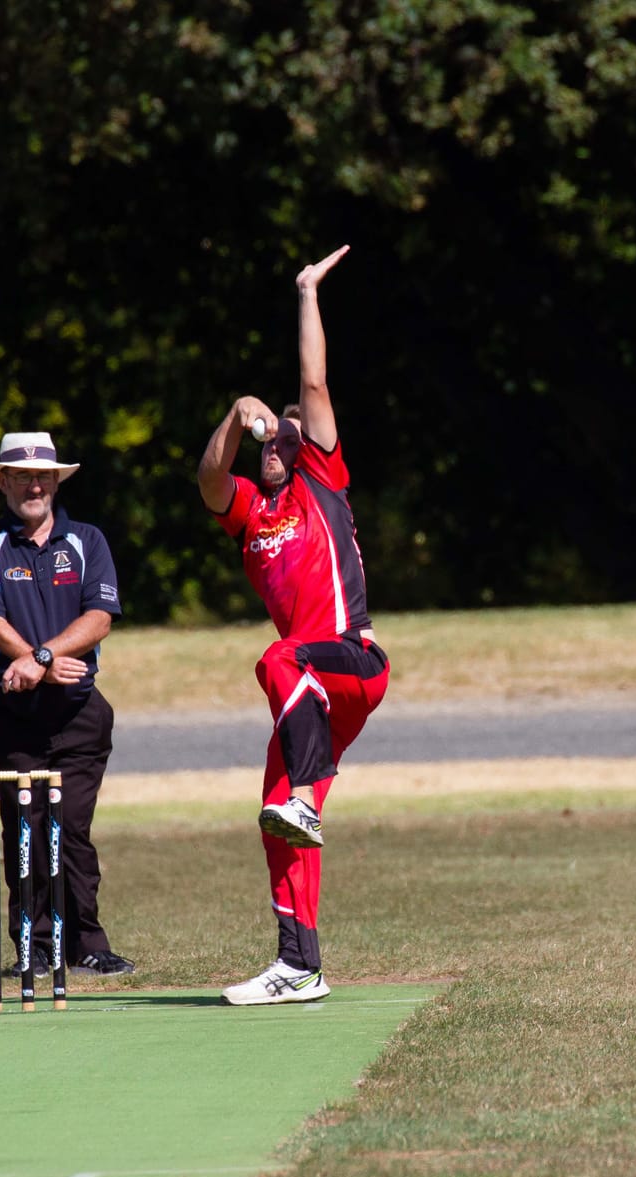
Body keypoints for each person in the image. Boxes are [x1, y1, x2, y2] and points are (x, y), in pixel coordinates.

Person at [196, 244, 389, 1006]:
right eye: (270, 439)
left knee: (277, 659)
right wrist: (234, 413)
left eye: (288, 436)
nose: (279, 444)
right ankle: (298, 963)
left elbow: (314, 384)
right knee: (277, 818)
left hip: (350, 661)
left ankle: (305, 794)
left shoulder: (324, 478)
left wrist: (307, 291)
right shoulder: (252, 512)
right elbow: (210, 478)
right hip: (309, 694)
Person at [0, 432, 132, 978]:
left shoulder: (87, 541)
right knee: (24, 825)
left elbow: (99, 618)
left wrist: (41, 657)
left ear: (55, 481)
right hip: (9, 712)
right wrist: (36, 663)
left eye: (43, 476)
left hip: (78, 710)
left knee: (72, 827)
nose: (34, 485)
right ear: (4, 482)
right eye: (22, 476)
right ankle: (30, 947)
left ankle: (87, 943)